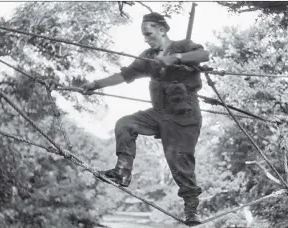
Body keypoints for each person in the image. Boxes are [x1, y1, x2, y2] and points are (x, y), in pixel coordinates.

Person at [81, 12, 210, 226]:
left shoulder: (183, 46)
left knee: (179, 162)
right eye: (144, 35)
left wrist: (175, 58)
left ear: (162, 29)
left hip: (184, 115)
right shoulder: (148, 56)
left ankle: (191, 211)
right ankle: (123, 171)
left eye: (149, 33)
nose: (146, 38)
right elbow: (124, 76)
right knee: (125, 123)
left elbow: (204, 55)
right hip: (159, 113)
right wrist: (95, 85)